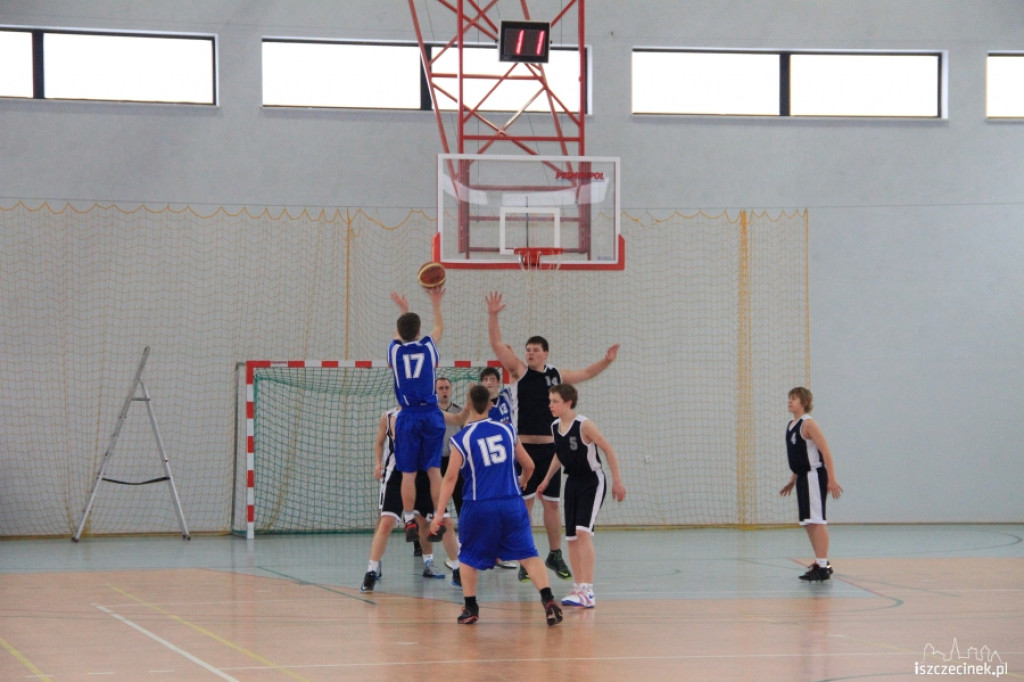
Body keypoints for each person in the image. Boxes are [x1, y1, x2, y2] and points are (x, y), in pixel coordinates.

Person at [486, 290, 620, 582]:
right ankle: (525, 555)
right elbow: (497, 344)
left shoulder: (556, 375)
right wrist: (493, 315)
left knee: (552, 504)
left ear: (545, 353)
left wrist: (606, 360)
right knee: (525, 505)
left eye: (535, 350)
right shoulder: (519, 371)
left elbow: (586, 373)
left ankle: (555, 553)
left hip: (551, 451)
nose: (530, 353)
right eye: (527, 349)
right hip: (524, 450)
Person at [429, 385, 563, 626]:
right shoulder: (507, 429)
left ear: (468, 405)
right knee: (528, 554)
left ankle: (471, 608)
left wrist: (439, 514)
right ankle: (549, 600)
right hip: (512, 502)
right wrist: (522, 481)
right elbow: (530, 466)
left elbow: (450, 479)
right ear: (490, 405)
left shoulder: (461, 438)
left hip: (478, 505)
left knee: (467, 556)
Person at [537, 383, 626, 608]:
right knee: (571, 538)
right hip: (572, 482)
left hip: (592, 480)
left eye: (555, 401)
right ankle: (578, 588)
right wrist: (546, 480)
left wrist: (617, 480)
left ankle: (588, 589)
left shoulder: (584, 425)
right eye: (550, 401)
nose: (551, 405)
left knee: (582, 532)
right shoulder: (555, 426)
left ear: (568, 402)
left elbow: (607, 449)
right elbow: (559, 454)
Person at [362, 408, 461, 592]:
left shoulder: (431, 413)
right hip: (398, 472)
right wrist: (378, 463)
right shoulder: (391, 417)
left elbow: (457, 418)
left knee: (441, 520)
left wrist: (469, 408)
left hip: (425, 473)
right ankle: (371, 571)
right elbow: (382, 442)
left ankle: (455, 569)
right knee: (386, 521)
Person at [388, 289, 447, 545]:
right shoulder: (428, 347)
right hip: (431, 414)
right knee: (434, 470)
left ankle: (410, 519)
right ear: (419, 331)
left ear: (400, 332)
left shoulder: (395, 351)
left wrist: (403, 309)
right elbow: (439, 328)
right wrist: (435, 303)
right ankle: (438, 517)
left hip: (408, 415)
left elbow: (399, 336)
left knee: (409, 474)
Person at [779, 387, 843, 582]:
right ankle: (821, 562)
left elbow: (825, 451)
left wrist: (831, 478)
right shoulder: (791, 424)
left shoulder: (808, 424)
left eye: (794, 398)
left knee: (817, 520)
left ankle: (823, 566)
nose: (790, 401)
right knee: (808, 522)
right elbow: (800, 456)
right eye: (789, 398)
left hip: (814, 476)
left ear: (804, 402)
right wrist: (792, 480)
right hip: (802, 478)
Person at [480, 365, 530, 569]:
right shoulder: (478, 405)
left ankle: (501, 552)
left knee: (506, 508)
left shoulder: (508, 396)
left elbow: (519, 376)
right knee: (487, 508)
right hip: (488, 464)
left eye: (492, 379)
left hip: (509, 461)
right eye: (486, 379)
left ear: (498, 382)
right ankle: (481, 550)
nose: (489, 382)